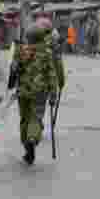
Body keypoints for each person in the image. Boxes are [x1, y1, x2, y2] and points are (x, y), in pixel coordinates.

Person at [11, 15, 65, 165]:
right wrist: (54, 93)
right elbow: (52, 74)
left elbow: (13, 70)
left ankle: (27, 148)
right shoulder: (46, 52)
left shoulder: (20, 51)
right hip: (39, 92)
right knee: (36, 118)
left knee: (24, 118)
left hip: (22, 91)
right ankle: (32, 139)